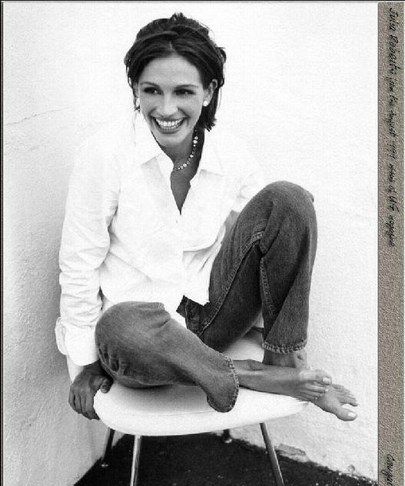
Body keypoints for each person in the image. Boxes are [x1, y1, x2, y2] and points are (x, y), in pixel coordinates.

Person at [56, 12, 358, 421]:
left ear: (209, 91)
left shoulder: (229, 153)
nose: (166, 109)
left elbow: (272, 239)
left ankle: (284, 359)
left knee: (290, 200)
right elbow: (79, 262)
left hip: (211, 315)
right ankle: (252, 374)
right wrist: (86, 363)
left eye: (183, 92)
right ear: (135, 90)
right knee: (117, 325)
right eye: (151, 91)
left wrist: (256, 311)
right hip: (143, 340)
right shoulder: (104, 154)